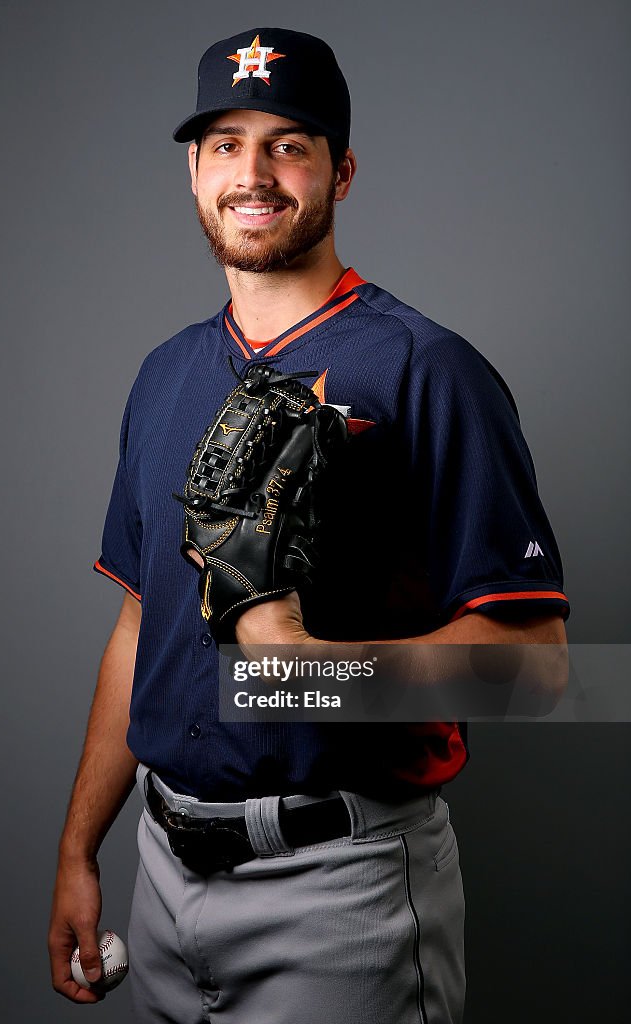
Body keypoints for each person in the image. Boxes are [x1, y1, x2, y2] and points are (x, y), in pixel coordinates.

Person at [48, 27, 569, 1023]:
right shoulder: (163, 375)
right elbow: (137, 627)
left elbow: (539, 668)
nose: (254, 171)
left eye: (289, 143)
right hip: (161, 874)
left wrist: (298, 662)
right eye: (226, 142)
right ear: (193, 170)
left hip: (340, 883)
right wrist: (79, 849)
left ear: (341, 171)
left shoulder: (427, 369)